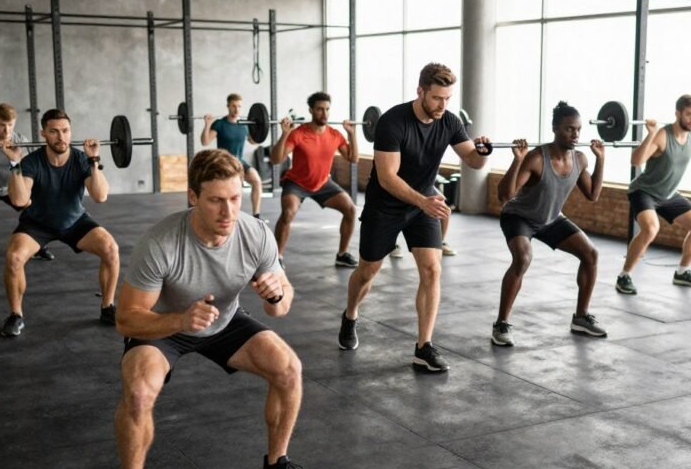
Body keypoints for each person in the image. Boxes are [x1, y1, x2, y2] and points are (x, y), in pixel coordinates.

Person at [110, 149, 313, 469]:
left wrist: (276, 294)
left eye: (235, 198)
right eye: (216, 200)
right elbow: (126, 318)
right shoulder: (161, 242)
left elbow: (280, 307)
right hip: (164, 328)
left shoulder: (255, 234)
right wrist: (179, 319)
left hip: (223, 320)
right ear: (192, 197)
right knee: (138, 391)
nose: (228, 212)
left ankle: (276, 464)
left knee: (289, 369)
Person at [338, 62, 490, 372]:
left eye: (448, 99)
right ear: (420, 91)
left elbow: (472, 161)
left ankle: (424, 346)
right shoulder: (393, 122)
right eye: (436, 98)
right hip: (386, 205)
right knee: (368, 271)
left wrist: (483, 152)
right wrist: (423, 201)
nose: (442, 105)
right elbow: (387, 177)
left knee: (432, 270)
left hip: (423, 204)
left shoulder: (449, 121)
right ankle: (351, 314)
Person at [491, 101, 606, 346]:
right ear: (555, 129)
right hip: (519, 216)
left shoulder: (580, 159)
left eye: (578, 129)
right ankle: (501, 323)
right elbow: (504, 195)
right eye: (569, 129)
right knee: (522, 258)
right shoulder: (536, 158)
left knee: (591, 254)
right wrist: (518, 160)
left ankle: (581, 317)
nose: (575, 135)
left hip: (551, 218)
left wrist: (601, 160)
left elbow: (593, 195)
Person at [1, 109, 119, 337]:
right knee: (14, 257)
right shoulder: (31, 161)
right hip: (37, 224)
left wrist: (94, 160)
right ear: (43, 133)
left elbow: (100, 196)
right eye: (54, 131)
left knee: (110, 249)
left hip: (74, 221)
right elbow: (19, 200)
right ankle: (16, 315)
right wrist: (14, 163)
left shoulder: (81, 159)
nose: (61, 137)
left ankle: (107, 307)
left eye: (65, 131)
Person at [615, 94, 691, 295]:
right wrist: (650, 134)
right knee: (651, 229)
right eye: (689, 115)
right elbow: (636, 160)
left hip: (668, 194)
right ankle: (624, 276)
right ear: (677, 113)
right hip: (644, 191)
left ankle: (682, 272)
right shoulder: (662, 135)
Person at [271, 92, 359, 267]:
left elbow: (353, 158)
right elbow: (276, 159)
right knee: (288, 213)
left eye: (327, 109)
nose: (324, 114)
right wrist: (284, 135)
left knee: (350, 209)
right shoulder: (299, 133)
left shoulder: (334, 135)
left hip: (322, 183)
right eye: (319, 109)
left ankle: (342, 255)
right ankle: (275, 258)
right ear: (311, 110)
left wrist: (352, 134)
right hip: (297, 183)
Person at [0, 103, 55, 268]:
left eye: (10, 125)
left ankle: (38, 247)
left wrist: (16, 157)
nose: (7, 130)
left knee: (36, 210)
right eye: (2, 125)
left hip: (12, 187)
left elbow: (32, 169)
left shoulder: (20, 141)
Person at [201, 93, 264, 218]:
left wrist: (261, 126)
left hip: (239, 161)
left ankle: (256, 216)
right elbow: (205, 141)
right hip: (223, 162)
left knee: (257, 181)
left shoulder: (244, 124)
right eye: (233, 106)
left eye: (239, 106)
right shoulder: (220, 124)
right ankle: (231, 215)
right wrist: (207, 124)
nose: (236, 109)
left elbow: (253, 141)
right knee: (234, 189)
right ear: (228, 106)